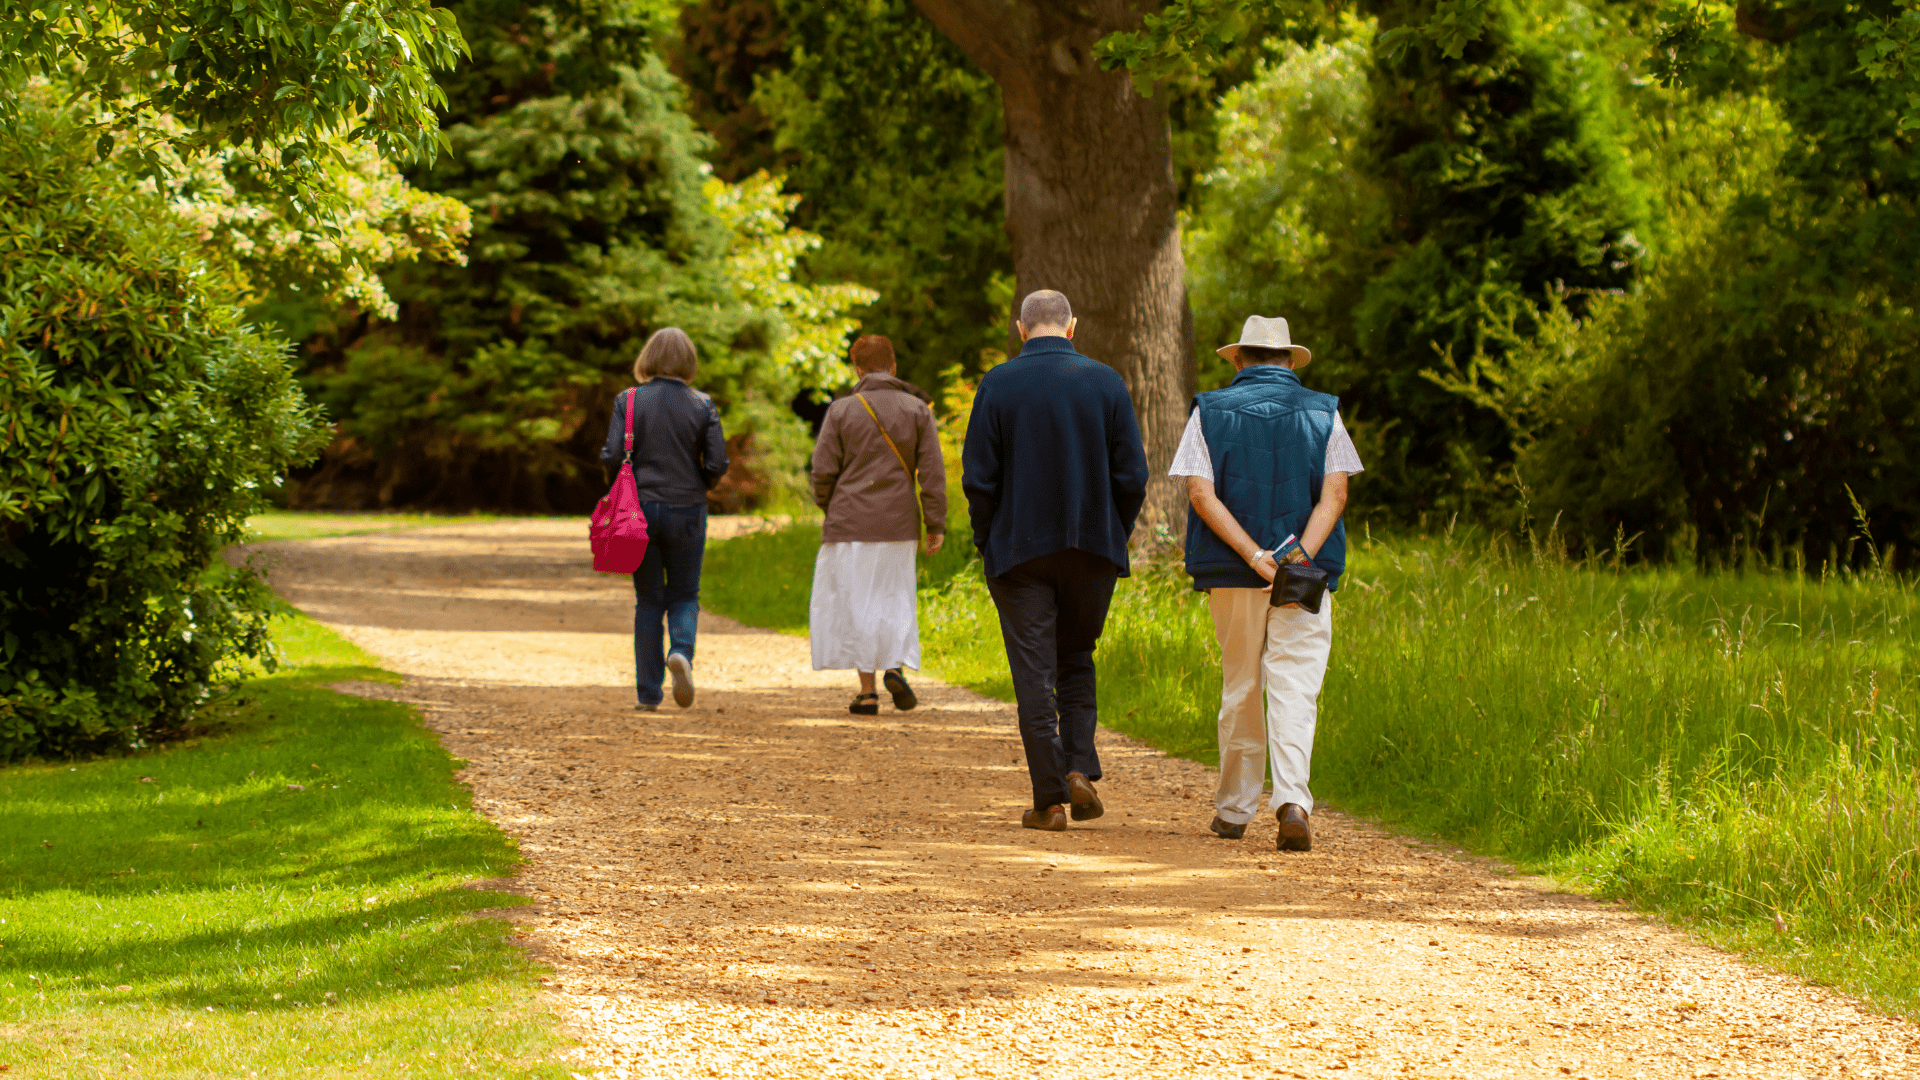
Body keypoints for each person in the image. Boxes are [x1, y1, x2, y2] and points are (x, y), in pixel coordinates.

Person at [962, 290, 1150, 832]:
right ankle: (1077, 767)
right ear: (1072, 327)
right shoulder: (1106, 381)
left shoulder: (997, 384)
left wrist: (987, 542)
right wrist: (1114, 530)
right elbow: (1132, 476)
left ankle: (1049, 799)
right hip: (1092, 547)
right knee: (1076, 657)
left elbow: (979, 478)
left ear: (1021, 329)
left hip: (1019, 551)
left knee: (1033, 673)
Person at [1172, 315, 1361, 852]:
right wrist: (1299, 554)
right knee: (1296, 685)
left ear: (1238, 359)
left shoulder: (1208, 410)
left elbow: (1201, 494)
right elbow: (1336, 494)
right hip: (1306, 573)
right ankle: (1293, 802)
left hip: (1234, 572)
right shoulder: (1326, 411)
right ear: (1289, 361)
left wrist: (1255, 556)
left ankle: (1233, 811)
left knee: (1242, 685)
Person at [808, 335, 948, 714]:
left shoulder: (841, 411)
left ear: (857, 368)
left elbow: (822, 472)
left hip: (849, 522)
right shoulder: (918, 409)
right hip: (899, 525)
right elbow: (932, 473)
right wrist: (935, 522)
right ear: (894, 366)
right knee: (894, 596)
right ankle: (895, 667)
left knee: (856, 603)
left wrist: (831, 506)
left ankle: (867, 693)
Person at [601, 327, 729, 712]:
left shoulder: (630, 399)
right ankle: (682, 653)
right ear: (689, 362)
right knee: (685, 593)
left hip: (639, 508)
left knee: (649, 600)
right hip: (688, 507)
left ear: (648, 359)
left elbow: (611, 454)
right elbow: (718, 461)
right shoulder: (702, 403)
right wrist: (701, 483)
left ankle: (648, 693)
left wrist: (620, 486)